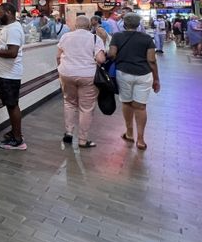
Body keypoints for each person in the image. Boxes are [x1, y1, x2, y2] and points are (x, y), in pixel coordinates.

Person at [108, 13, 159, 151]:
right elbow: (152, 60)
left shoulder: (117, 37)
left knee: (127, 102)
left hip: (123, 73)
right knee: (141, 106)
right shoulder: (147, 38)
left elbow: (112, 54)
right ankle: (141, 140)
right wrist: (156, 79)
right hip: (144, 74)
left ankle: (130, 133)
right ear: (138, 24)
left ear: (124, 24)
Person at [57, 15, 106, 148]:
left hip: (66, 73)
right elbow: (101, 59)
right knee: (86, 107)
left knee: (69, 102)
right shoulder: (95, 38)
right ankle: (83, 140)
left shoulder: (65, 36)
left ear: (75, 25)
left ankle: (68, 132)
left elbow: (58, 56)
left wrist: (61, 70)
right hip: (88, 76)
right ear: (89, 25)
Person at [0, 3, 27, 150]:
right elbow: (0, 45)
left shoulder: (14, 29)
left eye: (0, 13)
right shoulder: (8, 28)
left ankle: (18, 139)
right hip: (4, 73)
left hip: (9, 74)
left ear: (9, 12)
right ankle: (15, 132)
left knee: (12, 105)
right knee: (10, 104)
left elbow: (12, 53)